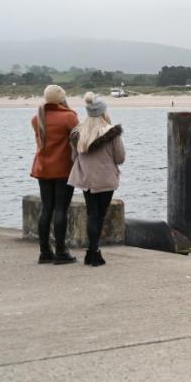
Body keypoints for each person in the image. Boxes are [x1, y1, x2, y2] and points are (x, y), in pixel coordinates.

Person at [68, 92, 125, 267]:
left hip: (86, 179)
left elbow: (73, 158)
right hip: (105, 180)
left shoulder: (78, 132)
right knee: (99, 216)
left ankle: (91, 253)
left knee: (92, 214)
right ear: (103, 111)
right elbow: (120, 158)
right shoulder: (112, 133)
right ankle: (94, 253)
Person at [30, 85, 80, 264]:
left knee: (47, 208)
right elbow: (78, 141)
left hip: (43, 168)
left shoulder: (37, 118)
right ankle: (61, 251)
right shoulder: (69, 116)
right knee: (61, 209)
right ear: (61, 99)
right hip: (63, 168)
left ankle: (44, 252)